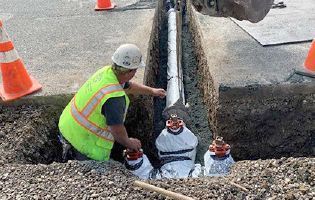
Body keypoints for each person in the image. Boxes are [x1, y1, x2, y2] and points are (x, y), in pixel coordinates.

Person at [58, 44, 166, 161]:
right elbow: (116, 129)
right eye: (135, 70)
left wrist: (152, 91)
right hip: (83, 143)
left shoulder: (107, 73)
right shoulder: (114, 99)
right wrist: (129, 142)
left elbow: (128, 86)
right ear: (130, 72)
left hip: (67, 126)